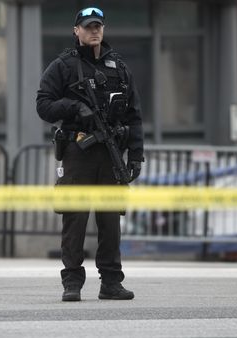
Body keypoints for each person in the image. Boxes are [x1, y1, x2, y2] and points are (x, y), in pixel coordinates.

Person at [36, 7, 144, 302]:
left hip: (111, 155)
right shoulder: (64, 66)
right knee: (75, 219)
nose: (94, 31)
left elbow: (134, 115)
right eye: (88, 26)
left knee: (111, 221)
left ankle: (111, 282)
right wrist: (74, 108)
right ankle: (72, 282)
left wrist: (136, 155)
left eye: (98, 26)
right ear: (77, 31)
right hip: (78, 152)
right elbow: (43, 104)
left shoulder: (119, 67)